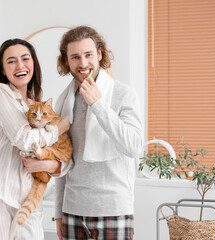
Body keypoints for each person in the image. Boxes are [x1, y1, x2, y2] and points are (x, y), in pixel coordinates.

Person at [0, 38, 72, 240]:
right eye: (11, 61)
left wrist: (50, 163)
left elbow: (58, 157)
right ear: (3, 70)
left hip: (28, 201)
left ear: (33, 63)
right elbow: (25, 139)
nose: (20, 65)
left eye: (25, 58)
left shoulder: (34, 106)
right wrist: (59, 128)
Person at [54, 26, 143, 240]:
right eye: (75, 57)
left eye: (88, 55)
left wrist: (99, 105)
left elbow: (134, 146)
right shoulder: (63, 101)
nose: (83, 63)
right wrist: (58, 213)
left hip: (113, 209)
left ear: (100, 54)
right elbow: (62, 158)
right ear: (67, 61)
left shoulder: (124, 94)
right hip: (73, 210)